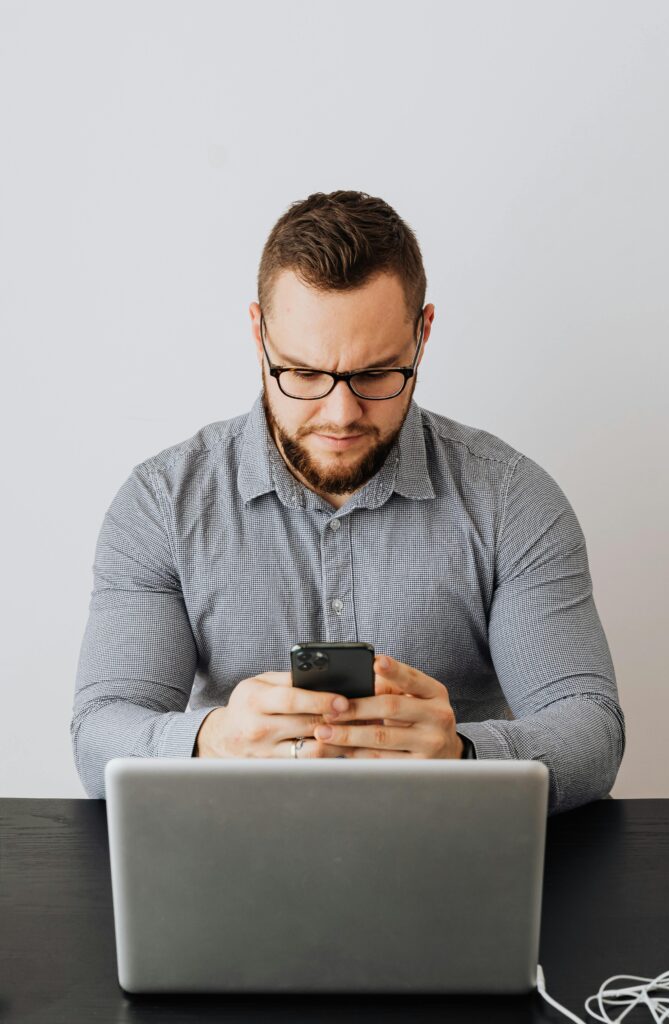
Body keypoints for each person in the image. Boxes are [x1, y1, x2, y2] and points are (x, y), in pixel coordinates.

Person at [71, 190, 625, 813]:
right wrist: (212, 739)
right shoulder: (161, 503)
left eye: (375, 374)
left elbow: (591, 728)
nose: (341, 415)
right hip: (231, 849)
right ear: (259, 335)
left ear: (423, 334)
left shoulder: (510, 497)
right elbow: (100, 731)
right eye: (304, 374)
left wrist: (465, 756)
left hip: (447, 846)